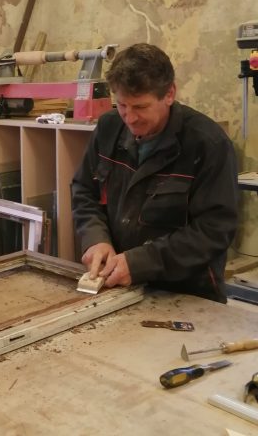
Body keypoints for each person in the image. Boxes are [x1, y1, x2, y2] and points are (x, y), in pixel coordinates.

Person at [71, 43, 238, 303]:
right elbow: (84, 191)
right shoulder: (108, 128)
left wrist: (140, 263)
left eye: (140, 107)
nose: (130, 118)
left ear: (169, 94)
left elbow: (214, 230)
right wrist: (95, 239)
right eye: (122, 105)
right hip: (119, 287)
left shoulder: (208, 145)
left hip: (187, 294)